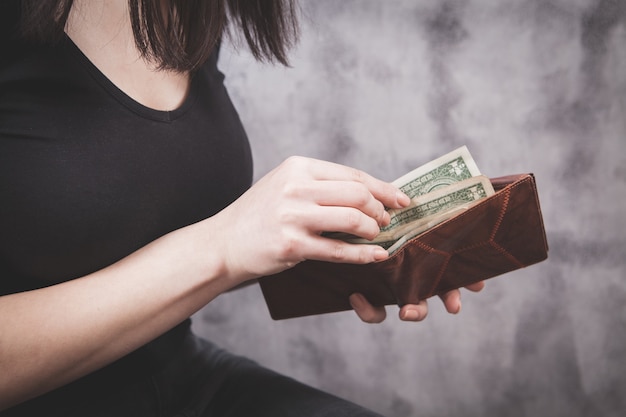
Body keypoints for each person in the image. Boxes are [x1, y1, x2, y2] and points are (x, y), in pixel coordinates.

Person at [0, 0, 485, 415]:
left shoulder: (183, 12)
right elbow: (212, 246)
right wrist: (222, 247)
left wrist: (352, 248)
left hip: (179, 380)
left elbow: (136, 221)